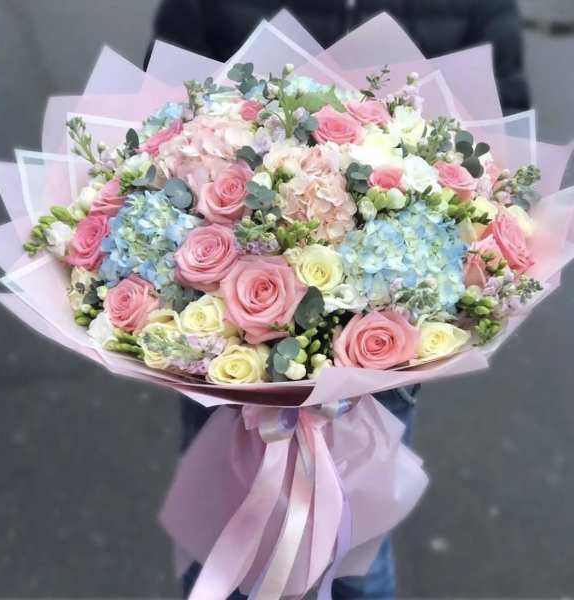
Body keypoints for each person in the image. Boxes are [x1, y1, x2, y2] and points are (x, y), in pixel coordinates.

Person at [147, 1, 529, 597]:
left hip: (383, 358)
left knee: (354, 551)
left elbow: (500, 146)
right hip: (223, 354)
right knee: (222, 539)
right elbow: (158, 129)